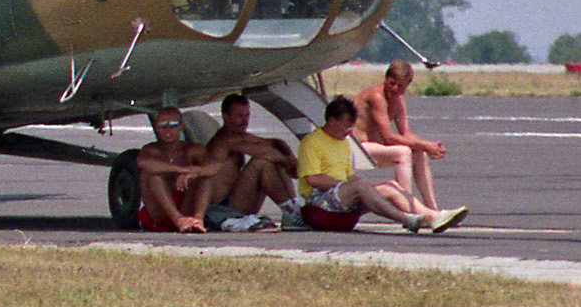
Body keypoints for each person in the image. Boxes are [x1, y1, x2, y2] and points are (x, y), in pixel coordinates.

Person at [298, 95, 466, 233]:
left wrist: (359, 187)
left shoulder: (344, 142)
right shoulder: (312, 142)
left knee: (389, 186)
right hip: (319, 199)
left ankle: (433, 217)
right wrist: (348, 186)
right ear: (332, 121)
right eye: (346, 127)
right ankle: (406, 219)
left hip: (342, 195)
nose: (349, 132)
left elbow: (349, 175)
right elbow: (312, 179)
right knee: (361, 185)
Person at [353, 60, 457, 214]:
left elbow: (406, 133)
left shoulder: (398, 100)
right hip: (355, 147)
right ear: (386, 79)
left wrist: (426, 146)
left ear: (408, 84)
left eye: (400, 86)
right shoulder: (376, 96)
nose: (395, 89)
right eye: (392, 83)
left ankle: (432, 208)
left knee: (418, 153)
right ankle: (409, 208)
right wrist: (425, 145)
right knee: (403, 152)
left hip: (372, 148)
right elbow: (388, 137)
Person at [206, 93, 302, 228]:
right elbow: (266, 153)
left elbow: (276, 142)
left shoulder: (239, 135)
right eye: (239, 116)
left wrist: (289, 157)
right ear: (225, 116)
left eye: (247, 115)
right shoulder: (224, 140)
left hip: (236, 202)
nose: (245, 121)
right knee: (261, 163)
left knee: (275, 160)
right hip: (222, 209)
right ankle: (291, 212)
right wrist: (290, 163)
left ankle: (294, 208)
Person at [136, 106, 224, 233]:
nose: (168, 130)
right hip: (159, 215)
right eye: (163, 126)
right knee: (151, 175)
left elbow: (214, 166)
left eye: (173, 125)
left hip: (186, 208)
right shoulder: (151, 150)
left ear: (181, 126)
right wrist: (181, 169)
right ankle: (179, 220)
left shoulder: (192, 150)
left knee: (205, 176)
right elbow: (143, 162)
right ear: (156, 128)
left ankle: (198, 220)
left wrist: (196, 171)